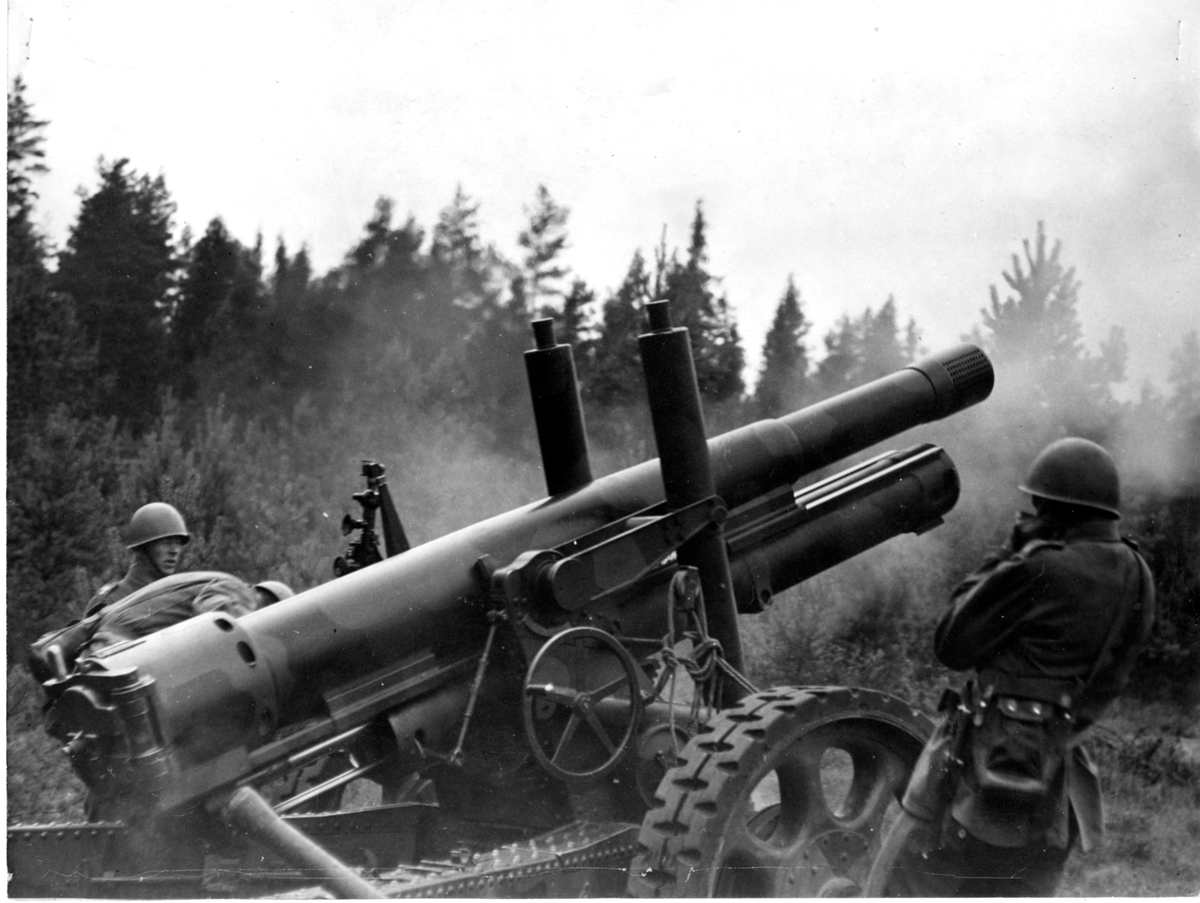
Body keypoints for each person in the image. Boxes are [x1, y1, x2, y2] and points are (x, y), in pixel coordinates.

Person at [878, 437, 1156, 897]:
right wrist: (1055, 727)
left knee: (899, 883)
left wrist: (1010, 550)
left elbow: (951, 643)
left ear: (1057, 510)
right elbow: (1112, 680)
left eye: (1040, 504)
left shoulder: (1038, 567)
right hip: (1058, 781)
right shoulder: (1138, 573)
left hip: (978, 774)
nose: (1033, 512)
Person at [86, 571, 259, 652]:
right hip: (117, 644)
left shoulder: (210, 578)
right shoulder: (241, 591)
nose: (174, 550)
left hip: (112, 643)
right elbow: (211, 618)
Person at [85, 502, 191, 617]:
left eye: (177, 543)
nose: (174, 550)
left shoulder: (180, 598)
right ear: (144, 548)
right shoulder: (111, 601)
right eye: (165, 542)